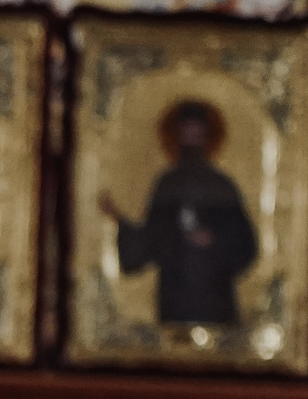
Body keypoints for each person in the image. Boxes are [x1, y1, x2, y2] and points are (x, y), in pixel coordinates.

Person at [100, 98, 258, 326]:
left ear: (208, 137)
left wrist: (213, 241)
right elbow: (151, 241)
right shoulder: (167, 184)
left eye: (197, 134)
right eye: (186, 133)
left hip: (214, 296)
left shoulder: (222, 186)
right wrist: (120, 220)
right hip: (176, 296)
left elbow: (246, 246)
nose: (191, 140)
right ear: (176, 136)